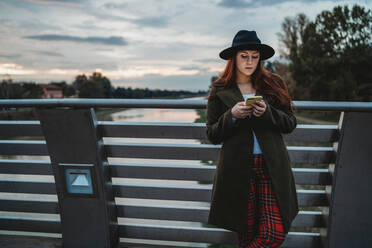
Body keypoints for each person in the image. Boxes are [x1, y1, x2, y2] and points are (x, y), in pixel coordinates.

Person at [206, 30, 299, 247]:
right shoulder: (219, 89)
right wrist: (232, 116)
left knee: (273, 234)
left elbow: (290, 123)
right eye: (244, 56)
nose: (249, 61)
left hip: (272, 167)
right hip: (237, 170)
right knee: (246, 235)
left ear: (260, 58)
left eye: (254, 56)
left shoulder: (273, 83)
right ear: (234, 58)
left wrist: (268, 113)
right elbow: (211, 134)